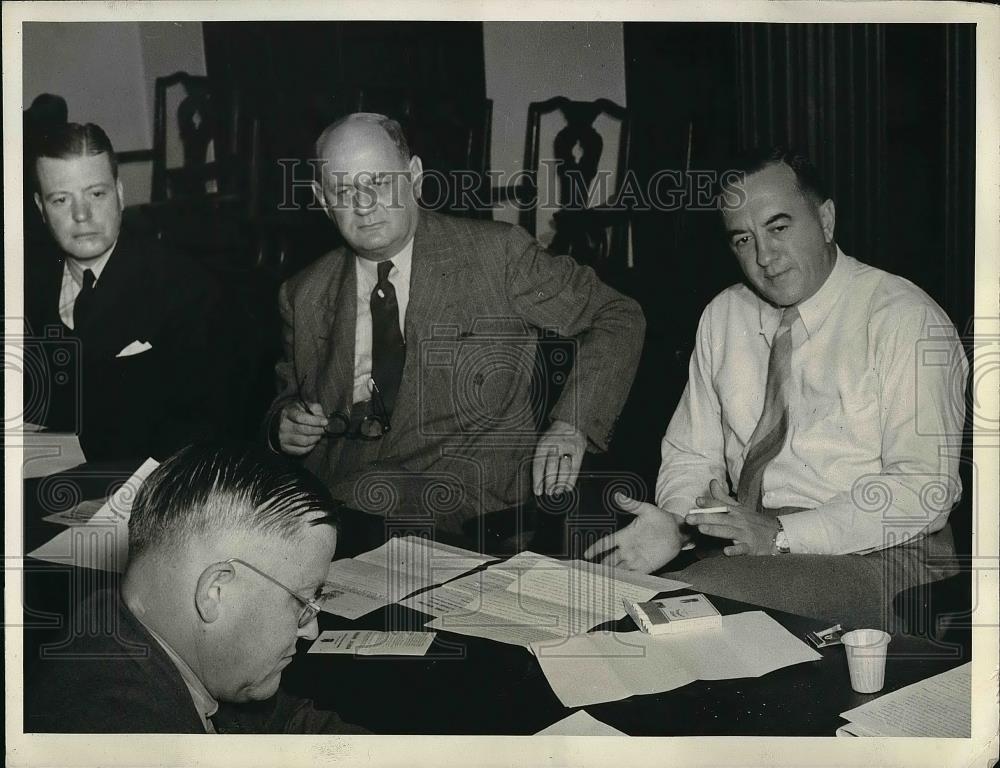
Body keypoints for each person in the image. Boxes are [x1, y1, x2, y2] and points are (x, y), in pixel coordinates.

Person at [585, 147, 967, 630]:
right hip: (753, 549)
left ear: (825, 220)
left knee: (688, 612)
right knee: (607, 598)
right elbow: (690, 452)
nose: (764, 257)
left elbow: (922, 490)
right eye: (743, 239)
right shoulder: (725, 315)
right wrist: (677, 522)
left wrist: (782, 534)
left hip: (889, 557)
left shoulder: (904, 319)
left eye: (779, 227)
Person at [266, 113, 644, 534]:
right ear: (321, 199)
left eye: (379, 181)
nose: (364, 204)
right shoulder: (303, 293)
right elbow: (289, 395)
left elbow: (617, 315)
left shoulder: (496, 256)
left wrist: (572, 424)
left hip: (465, 501)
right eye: (343, 189)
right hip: (337, 504)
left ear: (413, 176)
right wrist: (283, 425)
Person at [25, 442, 368, 734]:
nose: (311, 629)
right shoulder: (123, 730)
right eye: (303, 601)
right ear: (215, 591)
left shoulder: (129, 627)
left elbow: (281, 722)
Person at [24, 122, 230, 461]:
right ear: (40, 209)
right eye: (61, 199)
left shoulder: (185, 287)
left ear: (120, 195)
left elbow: (200, 425)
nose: (81, 214)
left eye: (96, 193)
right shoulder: (26, 286)